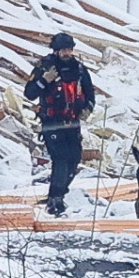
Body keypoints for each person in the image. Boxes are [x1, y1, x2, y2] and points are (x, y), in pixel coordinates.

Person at [24, 32, 95, 216]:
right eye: (63, 49)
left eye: (69, 49)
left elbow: (90, 93)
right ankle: (55, 199)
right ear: (55, 50)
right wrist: (43, 81)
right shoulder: (44, 67)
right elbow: (29, 93)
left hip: (72, 122)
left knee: (74, 159)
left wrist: (88, 108)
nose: (67, 53)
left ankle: (60, 194)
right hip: (51, 122)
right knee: (61, 159)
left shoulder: (79, 69)